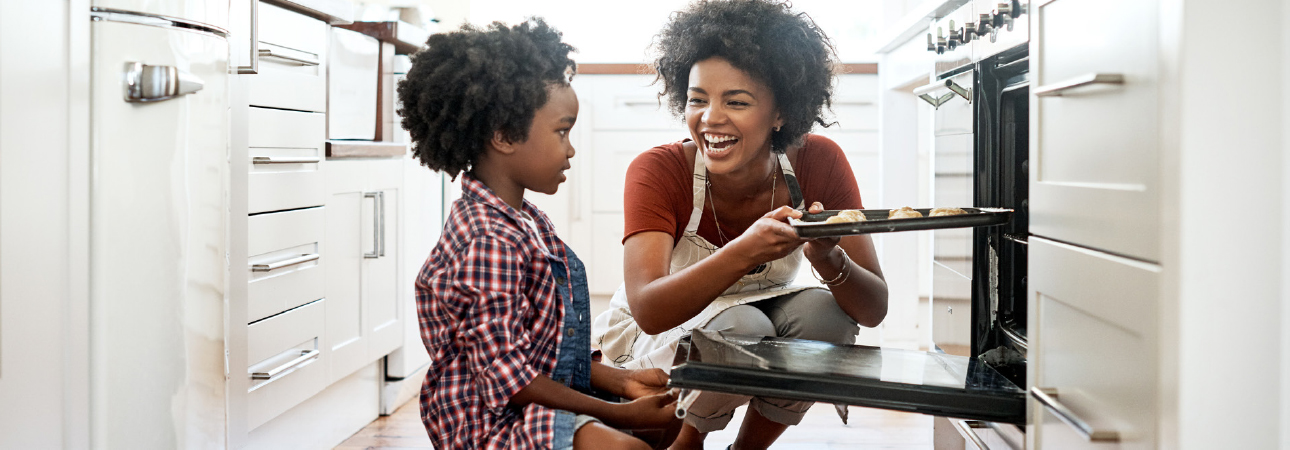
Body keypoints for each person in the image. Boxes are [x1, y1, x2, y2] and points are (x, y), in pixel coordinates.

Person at [590, 1, 890, 449]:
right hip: (662, 334)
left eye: (737, 101)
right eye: (697, 99)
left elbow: (873, 309)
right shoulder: (658, 170)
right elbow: (650, 311)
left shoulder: (818, 161)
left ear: (780, 112)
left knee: (825, 317)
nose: (710, 117)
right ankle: (686, 445)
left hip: (761, 315)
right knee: (744, 326)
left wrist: (827, 257)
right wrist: (747, 249)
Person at [398, 18, 680, 450]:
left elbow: (546, 351)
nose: (570, 149)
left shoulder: (524, 220)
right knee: (628, 445)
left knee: (665, 423)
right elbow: (509, 378)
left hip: (530, 402)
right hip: (489, 425)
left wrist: (624, 383)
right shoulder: (487, 241)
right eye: (561, 131)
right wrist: (617, 411)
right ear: (504, 136)